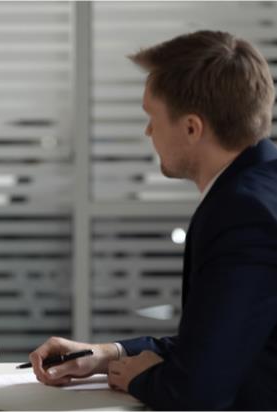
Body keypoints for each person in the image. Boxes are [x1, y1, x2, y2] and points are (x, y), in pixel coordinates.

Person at [30, 30, 277, 410]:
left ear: (192, 128)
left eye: (152, 117)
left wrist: (140, 378)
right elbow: (223, 340)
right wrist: (107, 354)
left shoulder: (241, 214)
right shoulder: (261, 187)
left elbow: (197, 393)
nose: (148, 131)